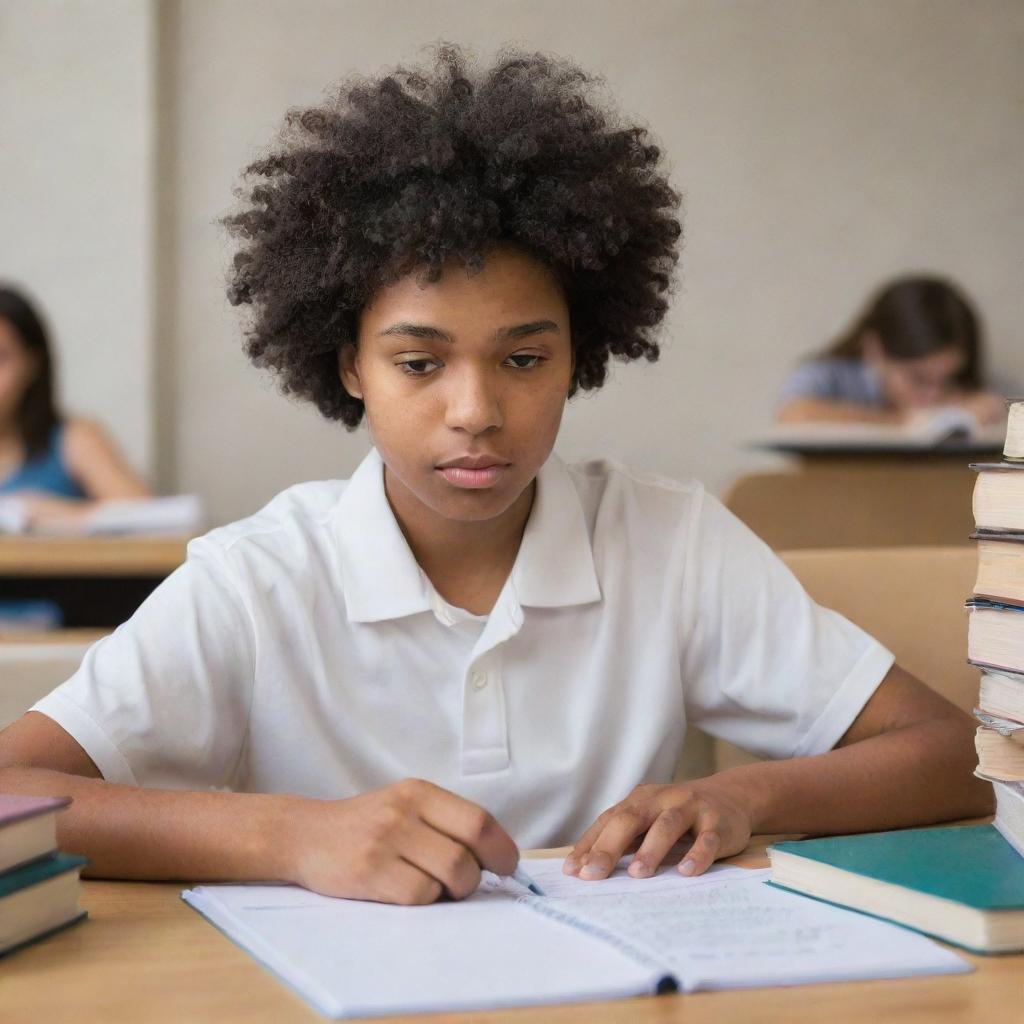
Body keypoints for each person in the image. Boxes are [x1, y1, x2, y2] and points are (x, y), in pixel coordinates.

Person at [0, 47, 990, 904]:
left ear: (580, 355)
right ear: (348, 364)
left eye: (523, 359)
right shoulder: (257, 579)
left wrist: (745, 795)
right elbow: (11, 789)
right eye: (419, 362)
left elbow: (960, 756)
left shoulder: (667, 539)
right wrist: (289, 835)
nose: (475, 410)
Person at [0, 287, 150, 529]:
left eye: (0, 357)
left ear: (33, 363)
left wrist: (57, 513)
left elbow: (146, 513)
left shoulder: (73, 438)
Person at [776, 276, 1006, 426]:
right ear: (875, 350)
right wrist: (907, 421)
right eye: (918, 378)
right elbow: (793, 415)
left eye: (947, 379)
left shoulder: (965, 390)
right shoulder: (828, 375)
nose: (934, 394)